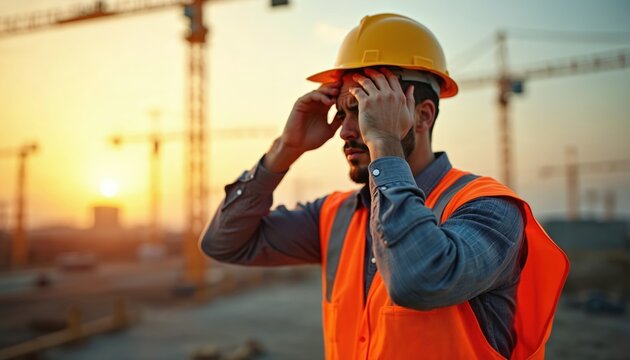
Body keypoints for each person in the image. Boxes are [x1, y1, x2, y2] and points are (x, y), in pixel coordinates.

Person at [200, 13, 568, 360]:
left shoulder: (489, 210)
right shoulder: (337, 215)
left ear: (422, 115)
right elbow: (224, 242)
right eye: (342, 113)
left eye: (364, 109)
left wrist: (384, 144)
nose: (345, 131)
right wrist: (285, 149)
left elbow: (417, 280)